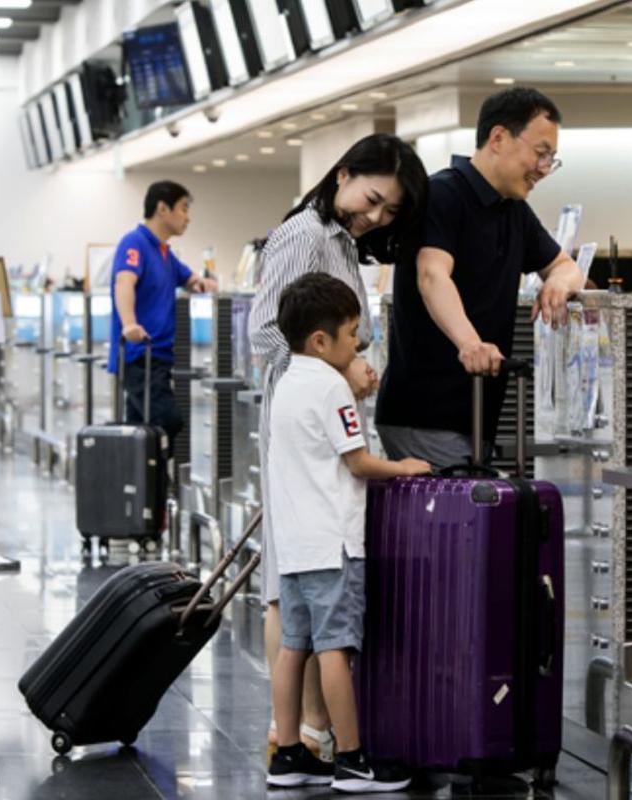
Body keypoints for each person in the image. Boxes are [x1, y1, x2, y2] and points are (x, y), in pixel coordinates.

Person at [248, 132, 427, 762]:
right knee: (292, 582)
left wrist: (353, 365)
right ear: (344, 173)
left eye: (389, 211)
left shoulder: (342, 241)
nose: (375, 216)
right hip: (304, 428)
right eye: (372, 198)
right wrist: (331, 369)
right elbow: (265, 328)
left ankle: (306, 735)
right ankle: (300, 735)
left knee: (303, 583)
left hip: (323, 421)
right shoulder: (306, 233)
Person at [266, 272, 430, 790]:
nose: (358, 343)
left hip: (293, 543)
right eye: (352, 332)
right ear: (321, 341)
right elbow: (358, 462)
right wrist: (403, 467)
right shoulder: (331, 385)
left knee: (295, 646)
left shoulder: (287, 381)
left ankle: (288, 753)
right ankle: (353, 759)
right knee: (337, 647)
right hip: (332, 543)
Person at [375, 87, 585, 468]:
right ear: (499, 138)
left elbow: (567, 266)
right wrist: (469, 343)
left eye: (551, 159)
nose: (543, 168)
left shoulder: (513, 209)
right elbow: (432, 275)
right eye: (540, 153)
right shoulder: (442, 195)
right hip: (425, 415)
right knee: (461, 526)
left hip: (475, 418)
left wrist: (557, 282)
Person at [107, 181, 217, 451]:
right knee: (167, 420)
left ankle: (141, 488)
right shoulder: (135, 243)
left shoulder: (164, 252)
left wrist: (202, 284)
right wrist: (129, 323)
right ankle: (146, 484)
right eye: (182, 208)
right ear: (162, 209)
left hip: (159, 357)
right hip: (139, 355)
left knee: (140, 428)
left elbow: (189, 278)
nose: (187, 217)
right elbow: (124, 283)